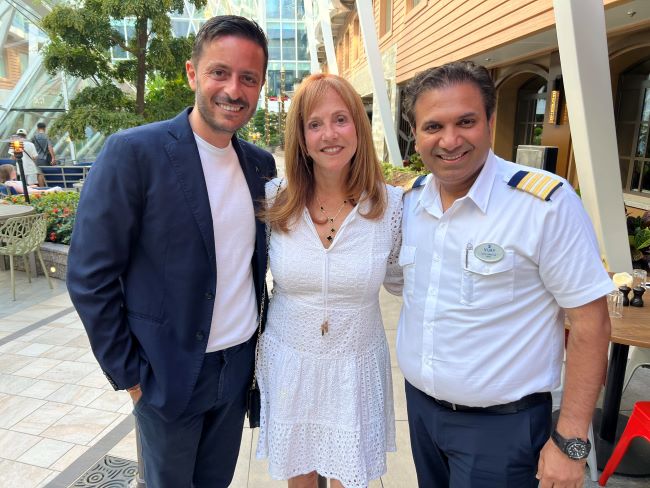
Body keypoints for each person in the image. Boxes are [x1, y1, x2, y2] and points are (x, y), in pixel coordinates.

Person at [66, 15, 276, 488]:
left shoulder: (260, 165)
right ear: (191, 73)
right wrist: (133, 377)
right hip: (168, 372)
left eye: (249, 78)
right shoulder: (134, 153)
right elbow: (88, 277)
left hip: (237, 365)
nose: (234, 90)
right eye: (219, 72)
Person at [398, 60, 612, 488]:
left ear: (491, 122)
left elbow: (592, 323)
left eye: (466, 121)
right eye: (433, 126)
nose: (450, 140)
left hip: (502, 432)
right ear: (416, 135)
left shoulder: (543, 205)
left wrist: (571, 440)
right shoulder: (412, 204)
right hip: (421, 414)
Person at [256, 73, 402, 488]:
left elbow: (406, 280)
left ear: (358, 124)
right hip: (290, 360)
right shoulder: (275, 196)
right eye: (314, 124)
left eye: (340, 119)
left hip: (355, 364)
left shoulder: (390, 206)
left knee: (346, 475)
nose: (329, 134)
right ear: (300, 137)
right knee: (298, 477)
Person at [33, 122, 56, 187]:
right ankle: (48, 187)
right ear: (45, 128)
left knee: (39, 174)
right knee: (47, 173)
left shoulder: (34, 137)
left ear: (37, 128)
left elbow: (33, 148)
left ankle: (42, 188)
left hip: (37, 159)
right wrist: (53, 158)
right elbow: (50, 147)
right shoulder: (47, 136)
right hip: (46, 158)